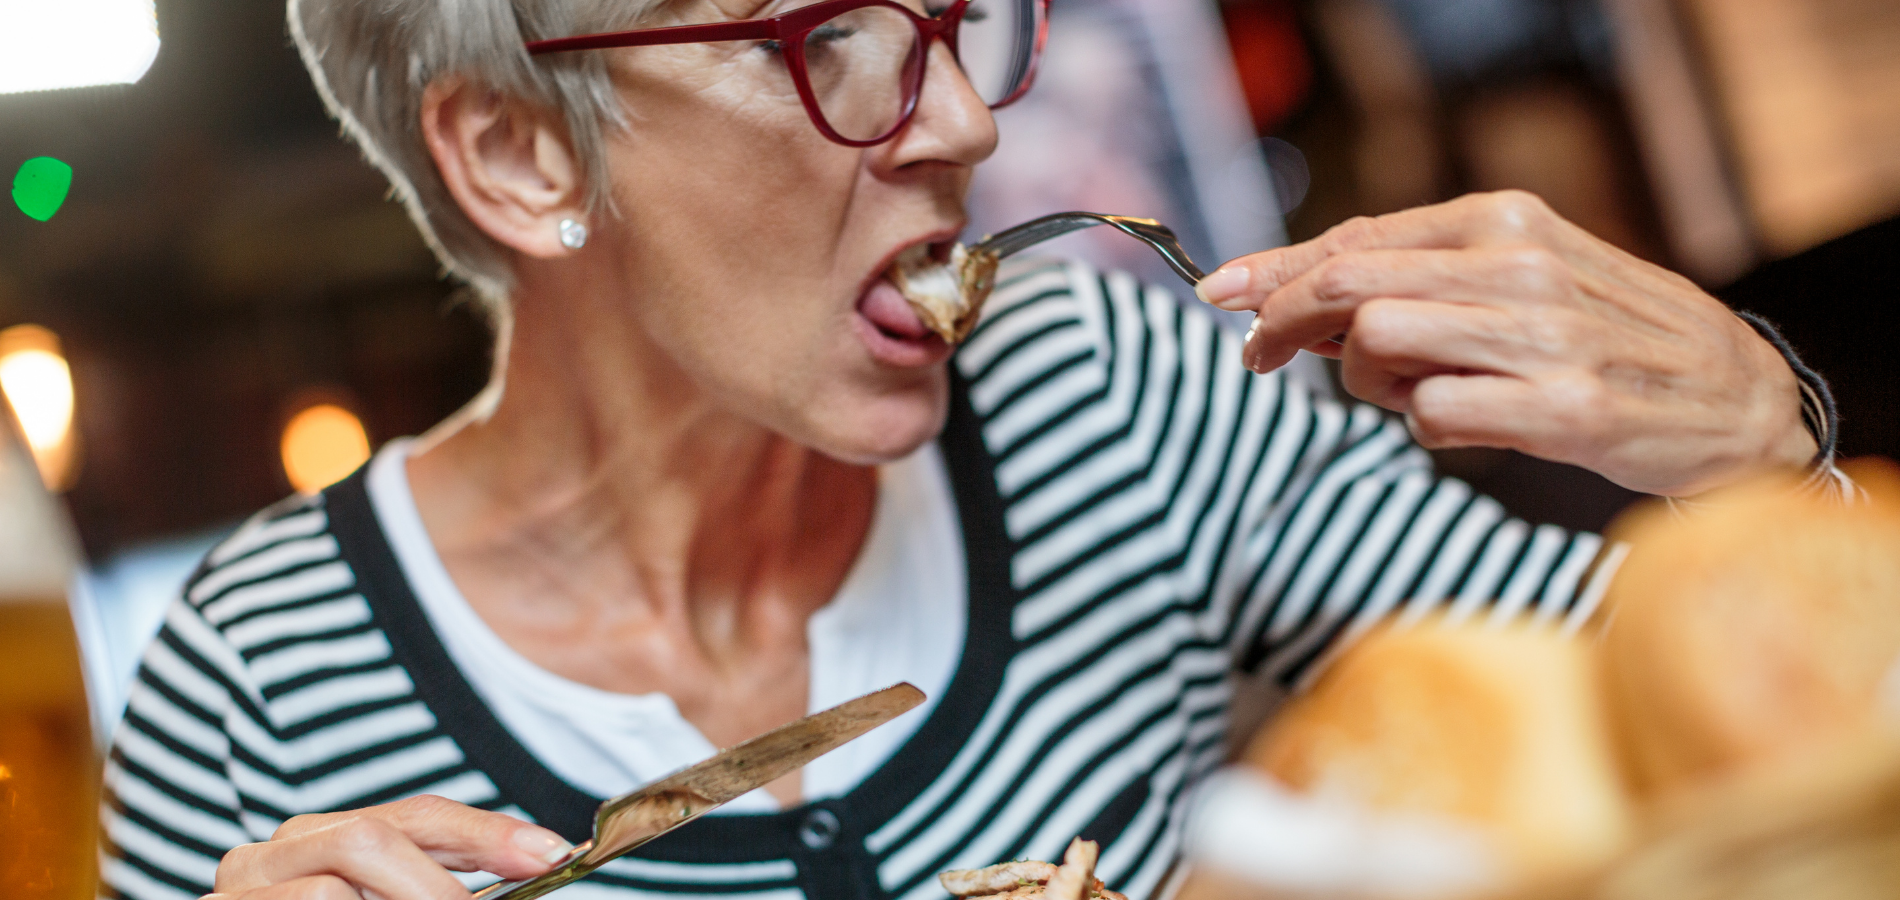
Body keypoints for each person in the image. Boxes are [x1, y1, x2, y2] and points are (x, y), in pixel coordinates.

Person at [97, 0, 1842, 899]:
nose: (956, 117)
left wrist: (1769, 469)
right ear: (523, 155)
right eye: (822, 38)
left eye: (941, 16)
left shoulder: (1113, 396)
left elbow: (1729, 769)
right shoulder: (249, 687)